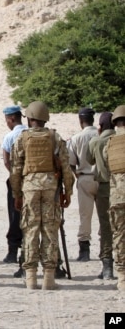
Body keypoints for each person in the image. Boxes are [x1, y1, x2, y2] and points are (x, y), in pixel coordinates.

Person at [10, 101, 75, 290]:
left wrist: (16, 194)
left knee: (30, 230)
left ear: (29, 119)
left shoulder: (22, 138)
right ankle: (49, 277)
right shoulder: (54, 137)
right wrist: (67, 192)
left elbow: (15, 169)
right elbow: (65, 167)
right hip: (50, 187)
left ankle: (30, 277)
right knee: (50, 229)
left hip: (29, 187)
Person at [67, 107, 99, 262]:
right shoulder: (100, 135)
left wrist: (76, 174)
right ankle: (106, 249)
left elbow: (71, 162)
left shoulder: (76, 138)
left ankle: (84, 251)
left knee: (85, 216)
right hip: (102, 179)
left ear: (81, 121)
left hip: (84, 177)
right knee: (105, 216)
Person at [87, 112, 116, 280]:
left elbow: (89, 160)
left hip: (104, 189)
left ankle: (107, 267)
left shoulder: (96, 141)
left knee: (105, 228)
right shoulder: (119, 140)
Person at [1, 106, 27, 265]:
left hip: (16, 181)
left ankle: (12, 252)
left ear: (10, 119)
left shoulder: (10, 136)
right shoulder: (29, 133)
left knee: (14, 215)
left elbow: (6, 161)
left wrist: (15, 175)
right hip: (33, 180)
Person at [104, 105, 125, 291]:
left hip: (117, 195)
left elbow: (105, 164)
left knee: (119, 235)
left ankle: (122, 277)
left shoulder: (110, 142)